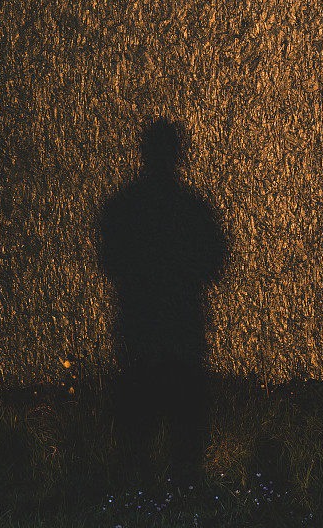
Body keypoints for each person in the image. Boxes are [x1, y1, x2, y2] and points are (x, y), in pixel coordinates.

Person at [97, 116, 227, 484]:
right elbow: (215, 260)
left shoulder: (122, 208)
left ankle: (136, 497)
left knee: (137, 424)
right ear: (178, 154)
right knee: (184, 426)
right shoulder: (193, 209)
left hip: (139, 326)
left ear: (144, 152)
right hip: (182, 328)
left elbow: (110, 261)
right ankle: (181, 496)